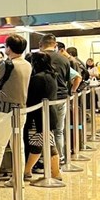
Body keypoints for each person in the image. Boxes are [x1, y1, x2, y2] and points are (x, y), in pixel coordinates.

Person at [0, 35, 32, 182]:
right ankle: (18, 179)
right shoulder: (27, 64)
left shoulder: (8, 64)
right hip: (21, 109)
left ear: (8, 47)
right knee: (18, 145)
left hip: (6, 110)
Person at [24, 52, 62, 181]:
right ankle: (27, 171)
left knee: (45, 145)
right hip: (49, 115)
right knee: (41, 144)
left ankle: (55, 173)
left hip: (39, 116)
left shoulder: (37, 78)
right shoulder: (52, 76)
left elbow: (31, 98)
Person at [39, 34, 72, 161]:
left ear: (41, 44)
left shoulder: (40, 58)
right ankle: (60, 157)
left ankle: (46, 158)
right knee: (59, 130)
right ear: (55, 45)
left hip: (45, 99)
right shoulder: (64, 59)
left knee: (44, 130)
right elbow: (68, 78)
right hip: (62, 98)